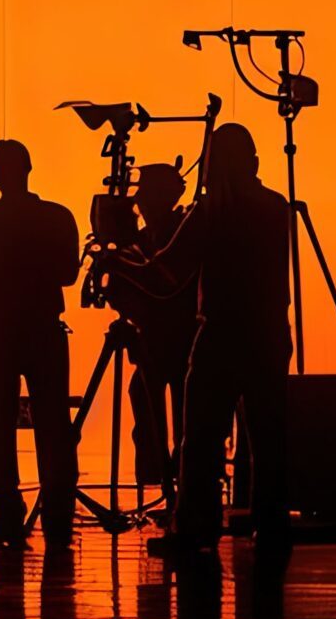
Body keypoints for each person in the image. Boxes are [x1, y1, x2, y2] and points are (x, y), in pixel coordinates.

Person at [124, 122, 293, 561]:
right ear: (254, 162)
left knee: (199, 437)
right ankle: (271, 525)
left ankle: (196, 528)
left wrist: (118, 262)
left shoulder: (210, 212)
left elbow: (166, 275)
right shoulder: (276, 209)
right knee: (268, 435)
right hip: (270, 332)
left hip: (220, 333)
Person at [0, 138, 82, 551]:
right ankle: (59, 511)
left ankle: (7, 507)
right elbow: (68, 273)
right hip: (44, 327)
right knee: (52, 421)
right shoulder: (57, 217)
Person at [112, 163, 193, 504]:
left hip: (183, 341)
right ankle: (160, 475)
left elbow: (164, 281)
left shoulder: (184, 233)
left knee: (187, 416)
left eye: (145, 191)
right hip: (152, 340)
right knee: (143, 398)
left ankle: (184, 484)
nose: (138, 199)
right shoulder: (142, 240)